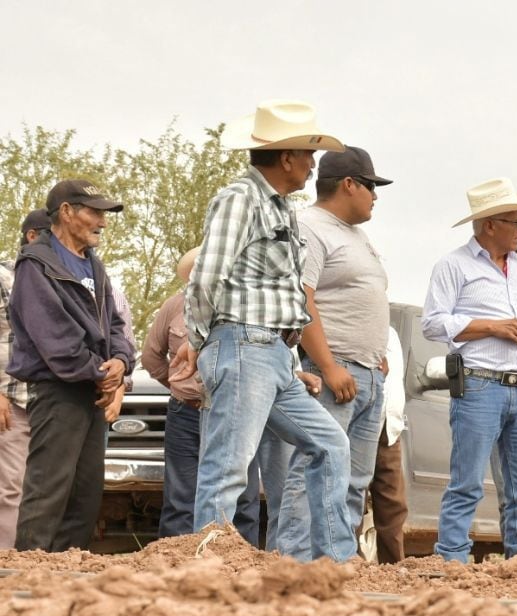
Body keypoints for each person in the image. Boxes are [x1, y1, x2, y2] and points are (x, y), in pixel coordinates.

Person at [172, 100, 355, 562]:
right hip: (242, 345)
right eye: (308, 153)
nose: (313, 163)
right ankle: (208, 566)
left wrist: (287, 360)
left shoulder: (281, 208)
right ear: (287, 157)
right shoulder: (240, 198)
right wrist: (199, 340)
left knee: (330, 443)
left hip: (271, 353)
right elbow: (206, 277)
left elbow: (280, 296)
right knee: (228, 466)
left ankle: (334, 561)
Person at [423, 177, 517, 562]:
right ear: (490, 225)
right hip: (480, 384)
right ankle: (452, 560)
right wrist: (494, 327)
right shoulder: (453, 265)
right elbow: (432, 323)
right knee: (467, 483)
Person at [276, 146, 393, 561]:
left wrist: (377, 355)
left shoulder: (357, 236)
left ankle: (335, 562)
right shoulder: (310, 227)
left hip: (367, 373)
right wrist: (327, 365)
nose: (375, 196)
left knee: (354, 480)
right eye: (371, 186)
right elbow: (301, 297)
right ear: (348, 184)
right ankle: (295, 560)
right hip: (335, 371)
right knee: (317, 465)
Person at [9, 180, 134, 552]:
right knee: (48, 491)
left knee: (85, 496)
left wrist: (120, 362)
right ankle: (28, 576)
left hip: (92, 390)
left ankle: (67, 576)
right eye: (95, 213)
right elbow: (54, 337)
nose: (103, 222)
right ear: (66, 211)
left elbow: (114, 324)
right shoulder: (36, 264)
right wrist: (101, 373)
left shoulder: (94, 265)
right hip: (58, 389)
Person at [142, 247, 260, 544]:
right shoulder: (174, 306)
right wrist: (179, 384)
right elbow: (151, 357)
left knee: (243, 496)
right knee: (180, 496)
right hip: (186, 411)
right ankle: (175, 563)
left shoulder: (247, 307)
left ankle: (240, 562)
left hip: (236, 412)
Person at [0, 210, 49, 549]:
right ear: (33, 236)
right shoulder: (5, 277)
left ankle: (37, 562)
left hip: (49, 400)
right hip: (11, 398)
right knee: (10, 486)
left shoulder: (61, 278)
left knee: (41, 488)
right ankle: (7, 563)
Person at [369, 327, 407, 563]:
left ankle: (394, 570)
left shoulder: (391, 333)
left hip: (390, 430)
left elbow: (395, 382)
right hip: (360, 425)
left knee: (393, 506)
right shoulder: (350, 324)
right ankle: (348, 568)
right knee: (352, 499)